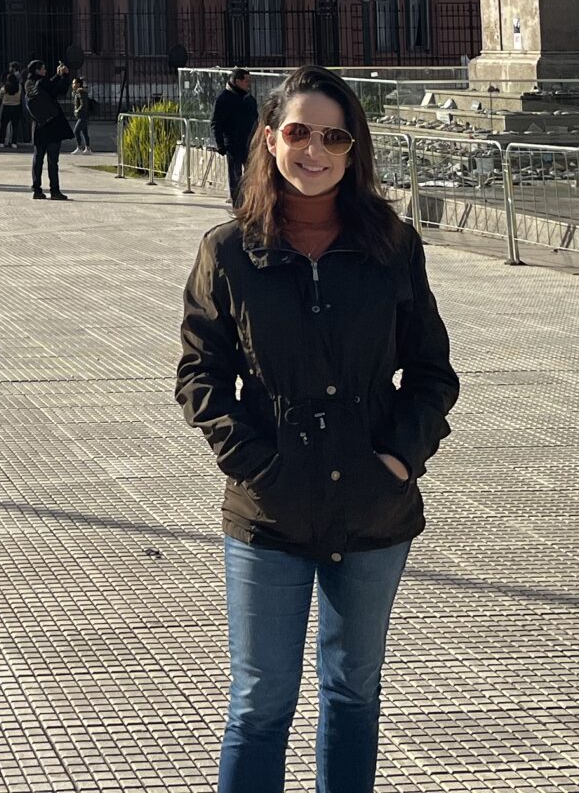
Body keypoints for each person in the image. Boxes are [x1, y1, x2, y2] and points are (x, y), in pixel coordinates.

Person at [176, 65, 459, 793]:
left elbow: (432, 371)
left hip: (372, 506)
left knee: (353, 693)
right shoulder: (229, 251)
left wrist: (399, 458)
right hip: (270, 511)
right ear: (270, 139)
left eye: (335, 137)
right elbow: (200, 374)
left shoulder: (392, 246)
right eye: (300, 132)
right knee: (259, 703)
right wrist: (253, 463)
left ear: (353, 148)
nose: (315, 150)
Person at [213, 67, 260, 204]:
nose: (248, 84)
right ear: (237, 81)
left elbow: (256, 119)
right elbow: (216, 123)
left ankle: (252, 202)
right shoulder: (223, 99)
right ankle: (238, 204)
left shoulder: (249, 98)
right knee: (235, 176)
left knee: (253, 175)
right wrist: (220, 144)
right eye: (246, 81)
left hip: (250, 143)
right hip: (233, 144)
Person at [27, 58, 72, 200]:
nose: (45, 71)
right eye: (43, 68)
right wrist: (65, 75)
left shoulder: (29, 84)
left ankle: (37, 189)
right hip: (52, 125)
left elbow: (48, 87)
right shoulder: (43, 83)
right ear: (38, 70)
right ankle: (55, 190)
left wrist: (57, 76)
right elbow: (60, 90)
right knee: (52, 160)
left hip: (38, 125)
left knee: (38, 158)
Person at [0, 64, 25, 146]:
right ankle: (14, 142)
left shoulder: (5, 87)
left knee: (3, 125)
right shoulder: (19, 86)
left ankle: (1, 142)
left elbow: (0, 96)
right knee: (15, 126)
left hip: (6, 106)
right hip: (16, 106)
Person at [69, 69, 94, 153]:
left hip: (83, 115)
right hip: (82, 115)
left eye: (74, 83)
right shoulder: (77, 92)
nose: (73, 85)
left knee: (76, 131)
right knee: (84, 132)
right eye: (72, 83)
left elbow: (83, 104)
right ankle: (88, 149)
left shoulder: (81, 92)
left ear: (78, 84)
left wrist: (77, 110)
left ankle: (79, 147)